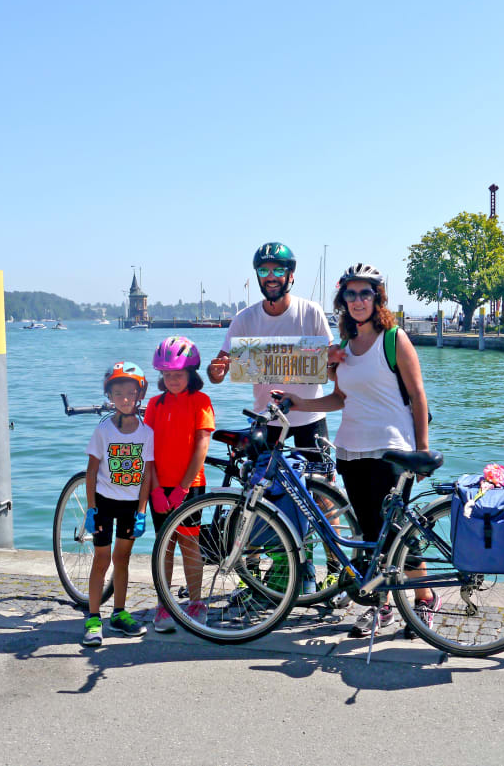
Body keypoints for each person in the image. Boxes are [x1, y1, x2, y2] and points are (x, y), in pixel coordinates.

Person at [276, 263, 437, 638]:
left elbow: (417, 394)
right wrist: (297, 402)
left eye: (366, 293)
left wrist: (423, 450)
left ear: (377, 297)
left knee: (395, 532)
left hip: (392, 450)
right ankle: (382, 607)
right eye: (352, 294)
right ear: (343, 300)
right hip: (350, 450)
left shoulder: (393, 339)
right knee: (370, 535)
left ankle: (425, 599)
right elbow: (339, 398)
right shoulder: (345, 349)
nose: (359, 300)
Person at [207, 242, 334, 449]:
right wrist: (216, 371)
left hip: (311, 419)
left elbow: (331, 364)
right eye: (264, 270)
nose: (271, 277)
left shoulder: (311, 311)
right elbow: (218, 372)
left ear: (290, 275)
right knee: (260, 480)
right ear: (258, 276)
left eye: (278, 270)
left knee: (318, 481)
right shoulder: (244, 318)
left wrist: (335, 362)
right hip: (267, 418)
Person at [144, 336, 215, 632]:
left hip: (190, 486)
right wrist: (157, 488)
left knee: (189, 542)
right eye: (167, 375)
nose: (172, 380)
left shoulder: (200, 401)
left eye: (178, 374)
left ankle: (196, 601)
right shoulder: (154, 404)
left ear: (191, 374)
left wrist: (184, 487)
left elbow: (202, 444)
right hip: (159, 487)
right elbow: (147, 449)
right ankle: (164, 603)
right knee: (165, 545)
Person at [82, 361, 154, 647]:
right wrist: (91, 508)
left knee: (121, 560)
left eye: (130, 393)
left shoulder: (147, 433)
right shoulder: (103, 431)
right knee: (101, 559)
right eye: (118, 393)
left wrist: (142, 511)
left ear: (139, 396)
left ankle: (120, 613)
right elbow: (91, 471)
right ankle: (93, 616)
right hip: (104, 502)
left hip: (130, 505)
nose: (125, 399)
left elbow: (147, 473)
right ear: (109, 397)